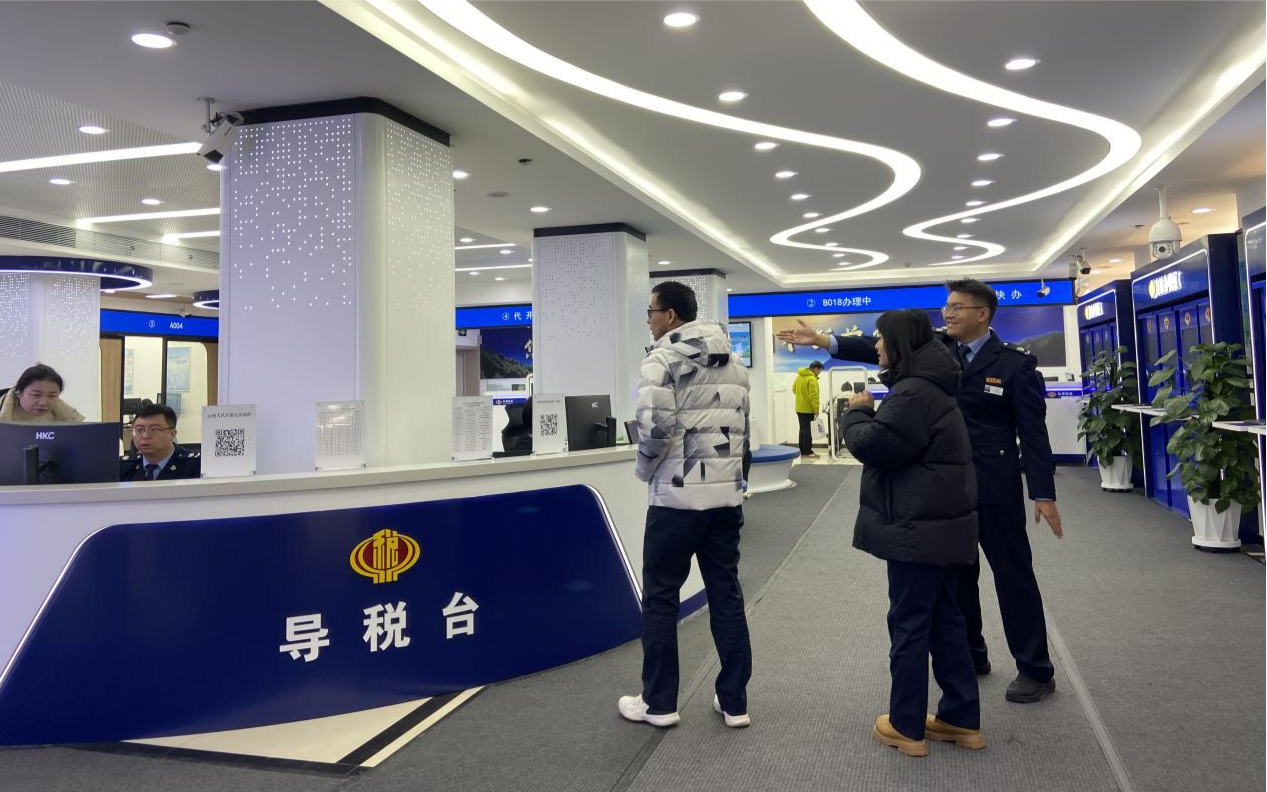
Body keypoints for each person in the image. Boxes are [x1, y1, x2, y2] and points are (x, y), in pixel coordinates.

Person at [777, 278, 1063, 704]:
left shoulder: (1014, 364)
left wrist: (1043, 493)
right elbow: (883, 347)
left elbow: (1033, 433)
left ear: (983, 313)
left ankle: (1035, 668)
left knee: (1013, 576)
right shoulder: (939, 349)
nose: (948, 313)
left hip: (993, 487)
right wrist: (824, 341)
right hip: (946, 489)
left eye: (957, 307)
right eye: (947, 306)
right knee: (957, 577)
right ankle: (972, 653)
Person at [842, 309, 983, 757]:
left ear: (899, 343)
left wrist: (856, 415)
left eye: (881, 338)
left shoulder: (912, 394)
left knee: (909, 625)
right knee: (946, 621)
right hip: (942, 527)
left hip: (918, 530)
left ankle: (905, 726)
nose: (876, 346)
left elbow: (874, 445)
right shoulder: (933, 386)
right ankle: (961, 719)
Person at [619, 281, 753, 729]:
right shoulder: (735, 362)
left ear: (671, 316)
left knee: (660, 599)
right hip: (724, 498)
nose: (649, 320)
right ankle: (734, 702)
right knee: (726, 595)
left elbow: (654, 429)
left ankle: (659, 704)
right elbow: (743, 430)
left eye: (651, 312)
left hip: (675, 499)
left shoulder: (661, 359)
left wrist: (644, 472)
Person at [119, 404, 201, 481]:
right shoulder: (122, 466)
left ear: (172, 434)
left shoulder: (196, 465)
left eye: (154, 429)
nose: (145, 436)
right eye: (139, 429)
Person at [0, 363, 86, 424]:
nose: (43, 403)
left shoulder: (65, 416)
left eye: (52, 396)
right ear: (19, 393)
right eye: (36, 395)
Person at [792, 360, 824, 458]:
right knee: (808, 431)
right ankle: (808, 451)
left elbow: (793, 389)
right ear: (816, 368)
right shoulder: (812, 379)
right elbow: (814, 396)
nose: (820, 372)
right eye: (820, 370)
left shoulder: (799, 376)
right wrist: (816, 409)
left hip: (799, 408)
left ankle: (802, 450)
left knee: (802, 429)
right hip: (808, 409)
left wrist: (802, 395)